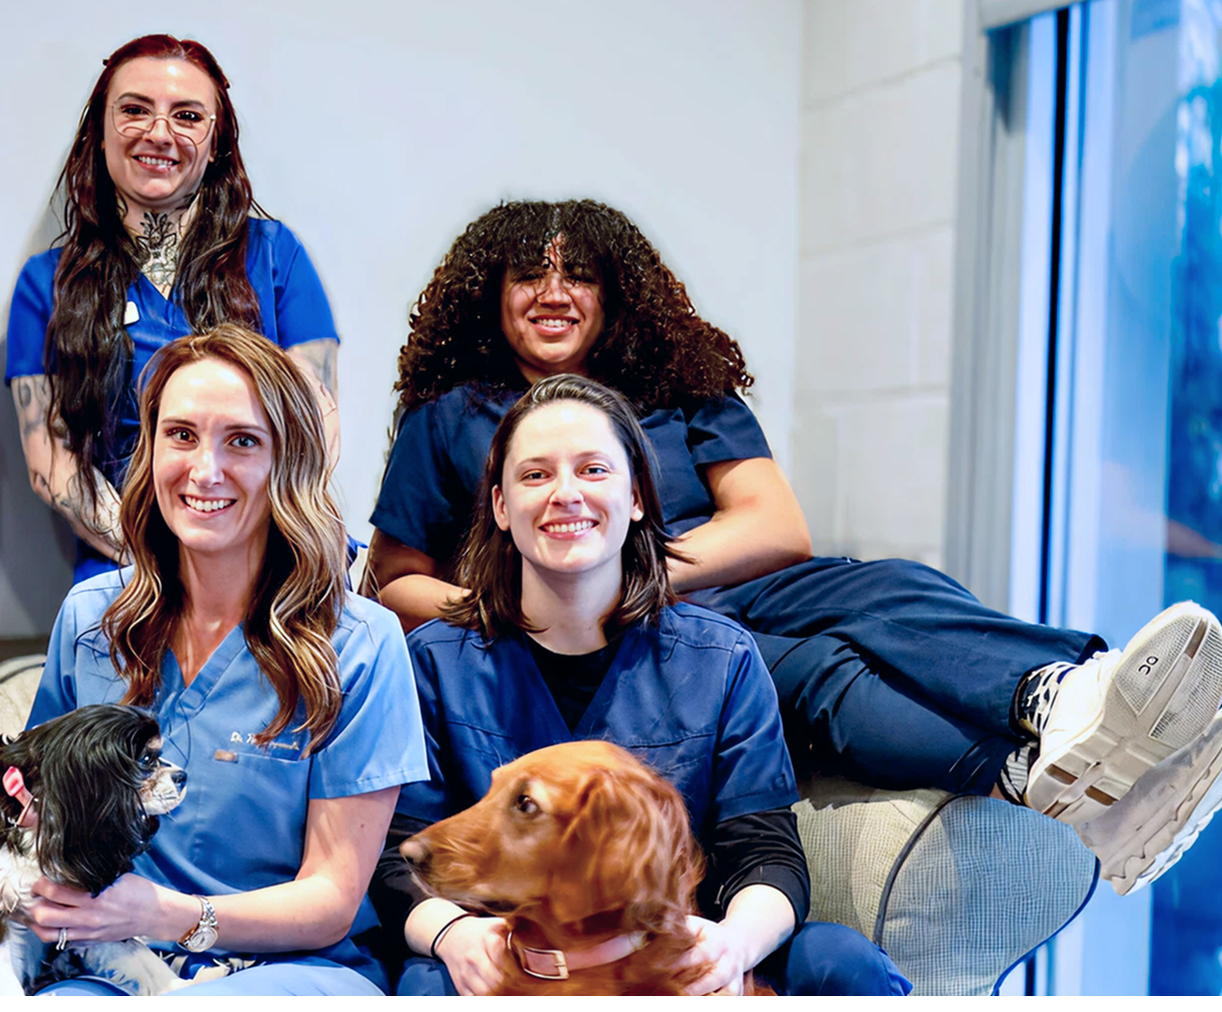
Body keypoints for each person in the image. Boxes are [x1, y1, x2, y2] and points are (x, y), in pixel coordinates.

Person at [365, 199, 1222, 897]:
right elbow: (393, 579)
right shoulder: (453, 418)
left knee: (886, 585)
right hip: (618, 630)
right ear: (491, 295)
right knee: (824, 673)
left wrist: (642, 570)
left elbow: (776, 529)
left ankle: (1069, 694)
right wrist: (536, 598)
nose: (554, 293)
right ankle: (1081, 782)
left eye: (579, 276)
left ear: (615, 294)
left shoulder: (684, 389)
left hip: (723, 586)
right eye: (529, 276)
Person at [373, 374, 908, 996]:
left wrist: (731, 946)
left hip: (672, 958)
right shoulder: (432, 663)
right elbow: (395, 855)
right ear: (500, 506)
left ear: (636, 497)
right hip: (507, 958)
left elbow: (764, 849)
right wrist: (453, 937)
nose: (565, 495)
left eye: (593, 470)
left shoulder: (722, 658)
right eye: (536, 475)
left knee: (839, 959)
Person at [25, 325, 424, 996]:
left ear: (287, 460)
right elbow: (38, 806)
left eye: (241, 440)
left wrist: (174, 916)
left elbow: (329, 897)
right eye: (180, 435)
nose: (204, 469)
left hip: (294, 973)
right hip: (115, 971)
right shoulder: (91, 620)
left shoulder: (359, 644)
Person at [6, 34, 340, 585]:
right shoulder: (47, 285)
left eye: (187, 116)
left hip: (271, 552)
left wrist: (238, 544)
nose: (159, 133)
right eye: (134, 110)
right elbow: (51, 465)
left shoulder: (278, 258)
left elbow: (317, 425)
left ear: (216, 144)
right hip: (127, 563)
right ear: (99, 132)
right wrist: (159, 550)